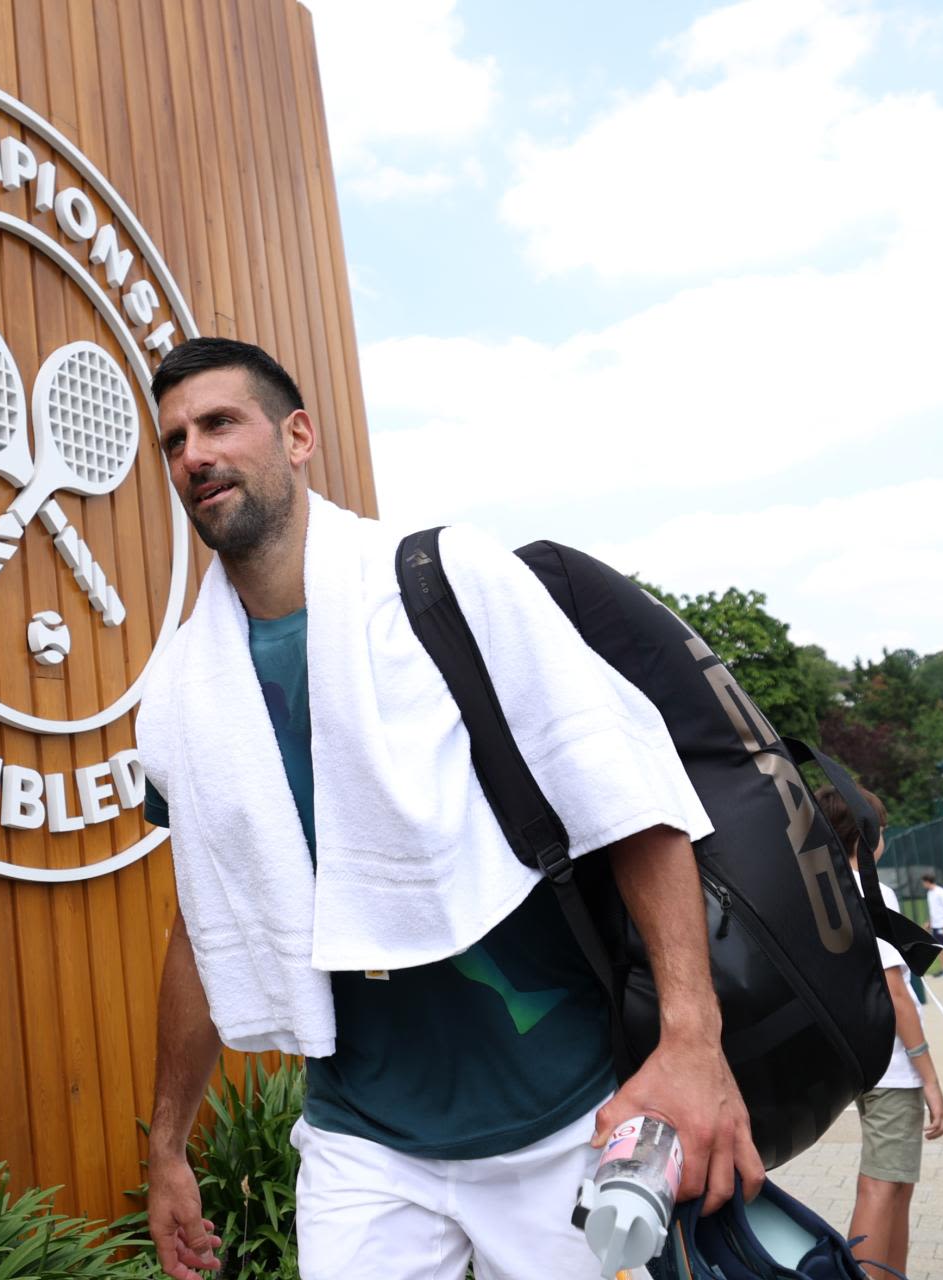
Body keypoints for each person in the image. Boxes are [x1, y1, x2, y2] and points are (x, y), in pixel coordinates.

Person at [134, 337, 762, 1280]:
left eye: (220, 422)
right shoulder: (183, 688)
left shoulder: (445, 580)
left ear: (297, 436)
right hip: (361, 1138)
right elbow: (207, 921)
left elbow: (627, 796)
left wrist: (691, 1042)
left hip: (565, 1119)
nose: (194, 455)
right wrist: (167, 1147)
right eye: (174, 440)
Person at [817, 787, 943, 1279]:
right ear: (868, 834)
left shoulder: (824, 891)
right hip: (895, 1066)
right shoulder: (871, 892)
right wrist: (930, 1077)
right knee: (880, 1185)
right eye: (883, 827)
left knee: (897, 1184)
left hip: (861, 1060)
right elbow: (897, 995)